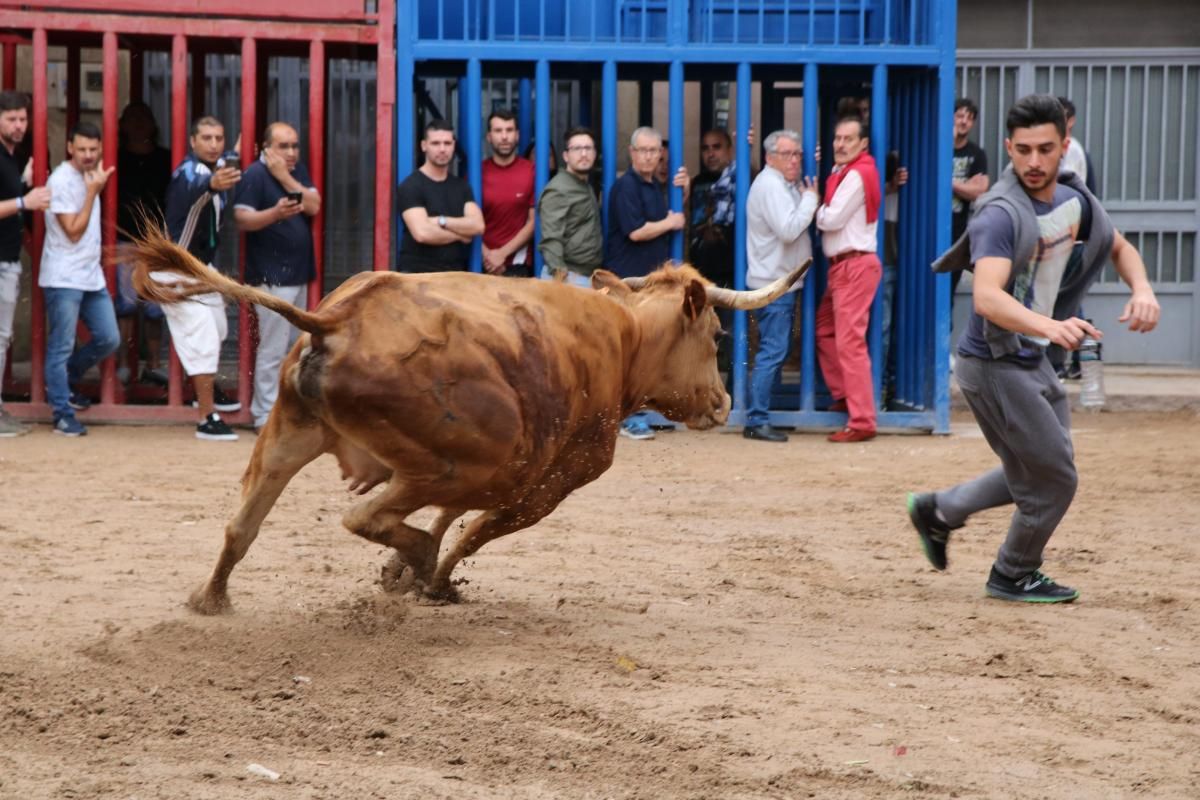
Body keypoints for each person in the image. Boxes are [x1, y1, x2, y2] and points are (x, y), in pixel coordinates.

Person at [914, 93, 1161, 603]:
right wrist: (1050, 327)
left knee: (1039, 466)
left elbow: (1117, 245)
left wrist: (1142, 289)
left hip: (1033, 359)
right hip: (995, 363)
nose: (1033, 161)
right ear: (1008, 147)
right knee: (1055, 479)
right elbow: (986, 297)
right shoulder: (999, 214)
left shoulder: (1075, 198)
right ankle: (1013, 572)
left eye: (1045, 149)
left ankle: (939, 510)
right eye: (1022, 150)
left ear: (1063, 146)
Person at [233, 121, 319, 431]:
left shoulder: (294, 171)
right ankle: (263, 415)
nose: (292, 152)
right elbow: (241, 218)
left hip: (298, 275)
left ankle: (290, 412)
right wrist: (275, 214)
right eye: (284, 146)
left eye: (295, 145)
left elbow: (314, 205)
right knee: (273, 349)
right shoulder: (255, 174)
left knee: (298, 349)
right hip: (271, 277)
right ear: (267, 148)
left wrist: (284, 176)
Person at [161, 115, 243, 441]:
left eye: (218, 138)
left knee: (219, 329)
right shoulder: (191, 173)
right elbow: (196, 185)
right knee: (203, 335)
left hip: (199, 267)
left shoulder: (217, 165)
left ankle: (202, 392)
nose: (213, 144)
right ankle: (206, 417)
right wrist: (212, 185)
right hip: (175, 268)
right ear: (192, 142)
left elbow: (224, 164)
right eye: (206, 138)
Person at [606, 126, 689, 441]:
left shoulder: (655, 186)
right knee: (630, 352)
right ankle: (627, 417)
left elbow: (669, 216)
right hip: (629, 283)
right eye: (642, 150)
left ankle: (644, 411)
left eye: (654, 151)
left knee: (647, 351)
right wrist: (670, 222)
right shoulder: (625, 187)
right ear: (631, 152)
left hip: (650, 284)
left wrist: (683, 192)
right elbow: (636, 231)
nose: (648, 156)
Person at [41, 121, 120, 436]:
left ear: (100, 147)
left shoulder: (91, 175)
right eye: (82, 149)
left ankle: (64, 381)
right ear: (70, 148)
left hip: (90, 275)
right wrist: (91, 193)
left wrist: (92, 187)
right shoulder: (61, 180)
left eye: (93, 148)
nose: (88, 155)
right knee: (60, 346)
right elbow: (73, 232)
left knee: (109, 337)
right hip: (63, 276)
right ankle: (61, 413)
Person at [742, 129, 818, 443]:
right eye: (787, 154)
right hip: (774, 283)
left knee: (774, 350)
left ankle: (763, 414)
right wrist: (811, 199)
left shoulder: (779, 184)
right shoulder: (771, 185)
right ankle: (756, 419)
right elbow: (788, 230)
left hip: (778, 280)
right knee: (773, 351)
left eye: (798, 154)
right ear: (769, 157)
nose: (795, 160)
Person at [815, 114, 882, 443]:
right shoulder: (844, 173)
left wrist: (816, 206)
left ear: (863, 144)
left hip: (853, 265)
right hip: (844, 265)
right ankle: (845, 394)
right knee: (825, 330)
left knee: (850, 343)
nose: (840, 145)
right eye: (837, 138)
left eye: (848, 139)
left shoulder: (856, 175)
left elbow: (831, 218)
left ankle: (862, 420)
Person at [0, 91, 52, 437]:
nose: (19, 126)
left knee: (2, 337)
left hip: (7, 259)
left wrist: (21, 185)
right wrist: (24, 199)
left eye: (22, 119)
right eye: (11, 120)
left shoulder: (12, 157)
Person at [114, 101, 171, 387]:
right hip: (123, 239)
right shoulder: (116, 158)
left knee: (154, 307)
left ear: (152, 124)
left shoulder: (165, 159)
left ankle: (153, 365)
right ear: (122, 125)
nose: (138, 125)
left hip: (155, 242)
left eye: (143, 118)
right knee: (125, 304)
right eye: (132, 119)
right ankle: (124, 364)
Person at [397, 120, 484, 272]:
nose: (442, 149)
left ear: (453, 146)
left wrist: (440, 221)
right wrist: (460, 236)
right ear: (424, 146)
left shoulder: (461, 186)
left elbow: (477, 225)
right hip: (417, 277)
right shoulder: (411, 185)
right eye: (436, 143)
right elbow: (422, 233)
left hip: (454, 277)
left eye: (447, 143)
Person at [537, 126, 603, 288]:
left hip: (585, 276)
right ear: (566, 156)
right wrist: (561, 281)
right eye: (577, 149)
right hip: (568, 278)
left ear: (595, 154)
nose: (583, 154)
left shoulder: (584, 184)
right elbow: (551, 240)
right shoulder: (558, 189)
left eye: (588, 148)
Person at [481, 110, 535, 278]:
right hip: (482, 264)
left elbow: (535, 221)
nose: (504, 137)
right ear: (489, 136)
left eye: (509, 130)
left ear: (517, 135)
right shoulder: (477, 172)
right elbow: (469, 222)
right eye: (498, 131)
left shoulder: (531, 170)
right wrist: (488, 257)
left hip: (517, 267)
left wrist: (502, 254)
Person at [951, 98, 990, 305]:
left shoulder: (976, 154)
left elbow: (979, 190)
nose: (964, 122)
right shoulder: (939, 149)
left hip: (958, 233)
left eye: (969, 118)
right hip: (931, 231)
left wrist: (948, 183)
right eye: (959, 116)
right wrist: (964, 185)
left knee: (948, 292)